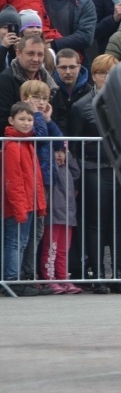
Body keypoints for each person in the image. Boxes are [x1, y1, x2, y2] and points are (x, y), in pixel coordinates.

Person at [69, 54, 121, 294]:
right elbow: (75, 146)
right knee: (96, 224)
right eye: (101, 73)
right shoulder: (80, 106)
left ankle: (119, 275)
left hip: (120, 170)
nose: (106, 78)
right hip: (92, 169)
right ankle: (98, 274)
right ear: (94, 75)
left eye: (111, 73)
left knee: (120, 223)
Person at [19, 79, 80, 294]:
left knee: (47, 236)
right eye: (36, 98)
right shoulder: (27, 121)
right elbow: (42, 140)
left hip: (51, 182)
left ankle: (61, 277)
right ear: (25, 99)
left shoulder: (42, 119)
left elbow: (60, 141)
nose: (41, 102)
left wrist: (47, 119)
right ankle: (41, 276)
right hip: (36, 181)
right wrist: (37, 117)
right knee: (38, 235)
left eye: (44, 98)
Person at [2, 101, 46, 297]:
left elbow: (33, 179)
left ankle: (14, 278)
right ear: (11, 120)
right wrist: (21, 208)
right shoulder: (12, 145)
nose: (27, 123)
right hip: (18, 205)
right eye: (22, 119)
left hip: (27, 203)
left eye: (29, 119)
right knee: (15, 242)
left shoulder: (26, 142)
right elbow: (14, 180)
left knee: (19, 241)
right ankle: (12, 280)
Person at [0, 34, 61, 133]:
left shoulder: (50, 81)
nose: (36, 59)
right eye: (30, 54)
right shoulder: (5, 80)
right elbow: (3, 118)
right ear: (18, 53)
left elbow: (61, 115)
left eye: (40, 54)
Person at [53, 48, 92, 125]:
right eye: (63, 67)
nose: (68, 72)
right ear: (56, 68)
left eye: (72, 67)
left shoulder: (89, 92)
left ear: (79, 67)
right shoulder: (50, 90)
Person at [0, 4, 20, 70]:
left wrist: (20, 51)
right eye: (5, 27)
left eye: (13, 29)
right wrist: (3, 48)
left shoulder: (23, 45)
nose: (9, 32)